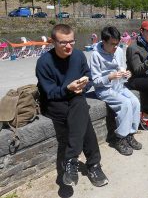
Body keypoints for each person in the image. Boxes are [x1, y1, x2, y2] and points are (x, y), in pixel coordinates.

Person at [35, 24, 108, 187]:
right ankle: (93, 165)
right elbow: (50, 93)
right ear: (53, 42)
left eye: (72, 41)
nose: (68, 46)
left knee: (80, 105)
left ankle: (70, 160)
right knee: (83, 117)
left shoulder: (78, 55)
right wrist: (67, 88)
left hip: (75, 97)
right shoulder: (44, 62)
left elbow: (88, 76)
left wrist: (85, 84)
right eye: (63, 43)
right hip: (54, 102)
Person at [90, 26, 142, 156]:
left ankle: (130, 133)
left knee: (135, 101)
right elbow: (95, 81)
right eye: (112, 44)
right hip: (104, 89)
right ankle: (120, 138)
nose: (115, 47)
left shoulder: (118, 50)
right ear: (103, 41)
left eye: (117, 44)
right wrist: (109, 77)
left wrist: (125, 73)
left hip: (118, 85)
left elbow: (121, 66)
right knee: (125, 104)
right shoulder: (95, 55)